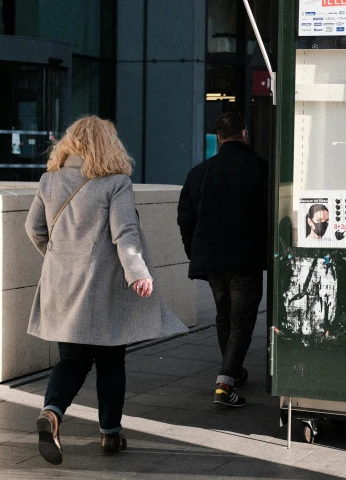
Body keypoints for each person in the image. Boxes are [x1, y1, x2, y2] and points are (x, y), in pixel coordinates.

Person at [25, 116, 187, 465]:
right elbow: (125, 233)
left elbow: (34, 229)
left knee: (71, 360)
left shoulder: (48, 180)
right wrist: (137, 273)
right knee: (111, 360)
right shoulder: (115, 183)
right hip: (102, 288)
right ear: (108, 145)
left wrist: (60, 260)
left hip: (60, 285)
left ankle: (52, 414)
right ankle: (110, 435)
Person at [177, 112, 268, 408]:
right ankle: (225, 384)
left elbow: (185, 219)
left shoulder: (198, 173)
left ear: (219, 138)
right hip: (246, 258)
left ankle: (235, 372)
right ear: (244, 133)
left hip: (214, 261)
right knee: (242, 320)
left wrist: (196, 253)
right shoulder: (261, 169)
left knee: (224, 315)